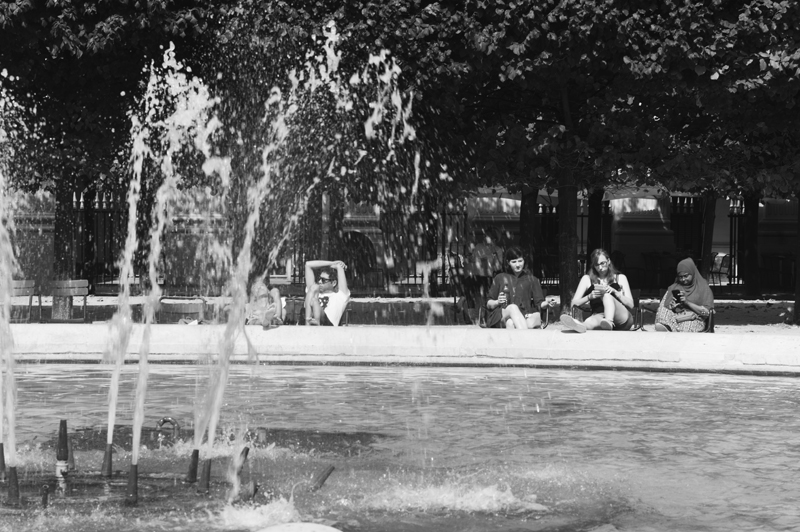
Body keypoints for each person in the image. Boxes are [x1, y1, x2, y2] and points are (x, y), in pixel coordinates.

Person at [560, 248, 634, 333]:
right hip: (600, 316)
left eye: (602, 263)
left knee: (606, 296)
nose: (600, 268)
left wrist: (615, 292)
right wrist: (589, 297)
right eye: (596, 265)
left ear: (608, 261)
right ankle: (579, 325)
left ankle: (609, 321)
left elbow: (631, 304)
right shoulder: (587, 279)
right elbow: (574, 303)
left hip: (621, 317)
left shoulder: (620, 278)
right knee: (589, 321)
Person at [485, 246, 556, 329]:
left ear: (524, 260)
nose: (518, 265)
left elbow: (539, 303)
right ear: (508, 262)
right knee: (512, 307)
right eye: (514, 262)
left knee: (510, 323)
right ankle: (524, 335)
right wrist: (497, 302)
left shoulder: (532, 280)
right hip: (501, 316)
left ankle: (520, 335)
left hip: (523, 315)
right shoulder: (500, 278)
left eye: (520, 261)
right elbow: (488, 304)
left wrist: (547, 303)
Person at [655, 257, 714, 332]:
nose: (683, 279)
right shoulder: (674, 287)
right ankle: (666, 327)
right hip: (675, 318)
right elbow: (665, 307)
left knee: (686, 327)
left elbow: (706, 312)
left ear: (692, 273)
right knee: (664, 309)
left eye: (686, 276)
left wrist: (687, 303)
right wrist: (672, 307)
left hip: (693, 318)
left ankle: (673, 332)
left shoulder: (703, 288)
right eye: (680, 277)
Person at [304, 259, 350, 326]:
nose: (319, 282)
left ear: (334, 283)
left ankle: (314, 322)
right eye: (319, 279)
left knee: (314, 300)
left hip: (328, 325)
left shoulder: (340, 296)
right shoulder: (313, 292)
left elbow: (339, 267)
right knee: (313, 290)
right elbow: (308, 264)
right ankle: (307, 324)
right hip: (311, 320)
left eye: (323, 280)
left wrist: (338, 266)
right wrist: (332, 263)